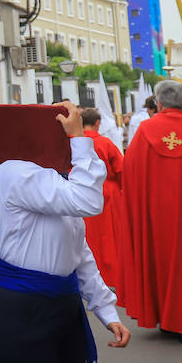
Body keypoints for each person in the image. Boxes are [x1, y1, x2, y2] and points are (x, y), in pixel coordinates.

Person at [0, 101, 130, 363]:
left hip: (61, 311)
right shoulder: (14, 173)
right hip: (21, 311)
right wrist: (79, 139)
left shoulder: (49, 178)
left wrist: (106, 310)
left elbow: (79, 252)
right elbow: (89, 201)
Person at [122, 79, 182, 340]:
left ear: (159, 102)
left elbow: (129, 172)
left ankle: (165, 318)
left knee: (160, 261)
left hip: (155, 217)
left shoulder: (145, 131)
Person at [80, 107, 126, 295]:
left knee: (87, 237)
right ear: (98, 123)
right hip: (108, 193)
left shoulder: (75, 143)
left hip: (83, 192)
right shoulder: (105, 143)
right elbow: (121, 169)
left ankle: (86, 276)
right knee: (110, 237)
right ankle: (112, 276)